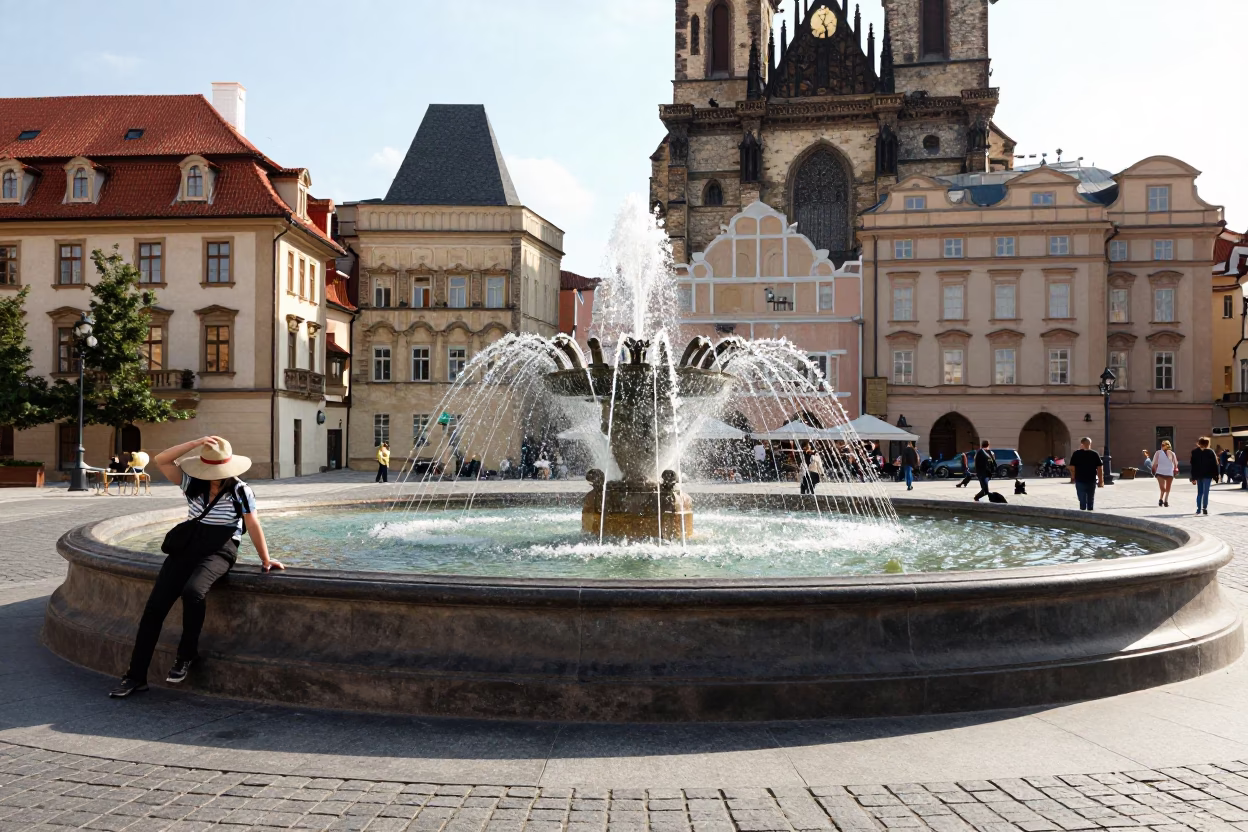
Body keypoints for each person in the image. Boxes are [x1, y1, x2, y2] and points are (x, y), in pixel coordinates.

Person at [109, 437, 283, 698]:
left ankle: (186, 655)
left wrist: (265, 558)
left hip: (220, 549)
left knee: (193, 592)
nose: (214, 476)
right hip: (187, 547)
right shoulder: (191, 483)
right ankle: (135, 676)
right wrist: (198, 443)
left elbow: (253, 523)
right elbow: (161, 460)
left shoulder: (240, 490)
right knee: (154, 609)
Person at [1068, 437, 1104, 511]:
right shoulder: (1095, 454)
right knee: (1090, 497)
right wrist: (1101, 480)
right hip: (1091, 479)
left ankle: (1083, 510)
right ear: (1090, 444)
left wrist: (1072, 477)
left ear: (1081, 444)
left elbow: (1072, 467)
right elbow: (1100, 468)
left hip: (1080, 479)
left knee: (1081, 497)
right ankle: (1090, 511)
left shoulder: (1076, 454)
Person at [1190, 437, 1219, 516]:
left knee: (1199, 493)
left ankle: (1198, 509)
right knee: (1206, 492)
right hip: (1208, 475)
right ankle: (1205, 508)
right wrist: (1216, 476)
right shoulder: (1210, 452)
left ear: (1199, 443)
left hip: (1198, 475)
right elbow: (1214, 465)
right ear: (1207, 443)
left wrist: (1193, 477)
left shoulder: (1194, 452)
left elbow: (1193, 465)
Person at [1151, 440, 1178, 507]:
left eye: (1164, 445)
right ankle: (1161, 499)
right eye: (1162, 445)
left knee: (1168, 487)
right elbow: (1155, 462)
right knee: (1162, 488)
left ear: (1168, 445)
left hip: (1169, 472)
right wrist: (1153, 469)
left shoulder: (1172, 453)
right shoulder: (1158, 452)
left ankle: (1165, 500)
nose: (1162, 446)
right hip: (1160, 472)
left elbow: (1175, 463)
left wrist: (1175, 469)